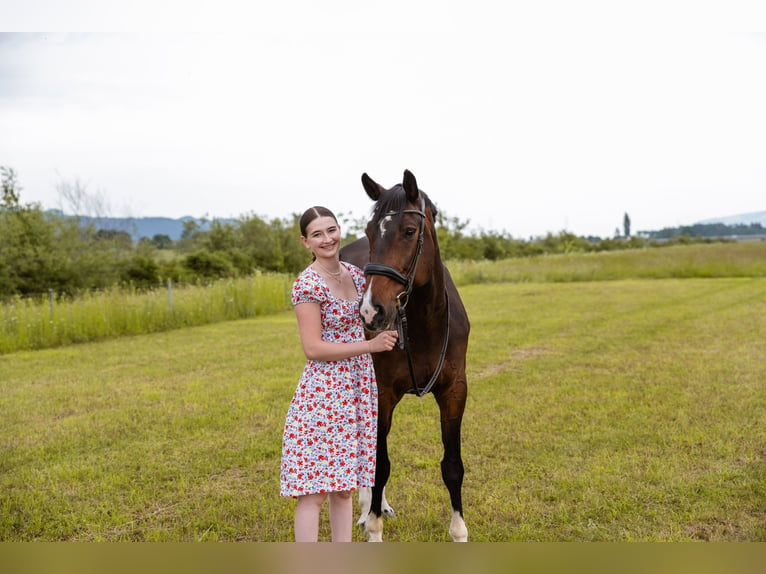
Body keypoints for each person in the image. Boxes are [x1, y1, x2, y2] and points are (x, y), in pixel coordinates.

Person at [280, 206, 398, 542]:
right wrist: (370, 347)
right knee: (314, 492)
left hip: (358, 388)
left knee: (345, 489)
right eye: (317, 234)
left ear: (339, 230)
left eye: (331, 230)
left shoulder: (356, 274)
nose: (327, 238)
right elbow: (313, 348)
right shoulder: (307, 284)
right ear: (306, 242)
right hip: (324, 393)